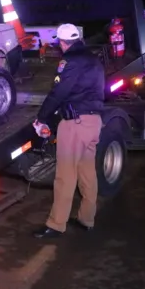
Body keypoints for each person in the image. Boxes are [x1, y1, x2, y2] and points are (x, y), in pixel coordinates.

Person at [31, 23, 105, 239]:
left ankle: (56, 225)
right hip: (94, 123)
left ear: (62, 43)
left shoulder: (71, 60)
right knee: (87, 173)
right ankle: (87, 219)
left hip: (75, 124)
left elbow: (59, 92)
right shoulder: (94, 60)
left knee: (65, 175)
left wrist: (41, 118)